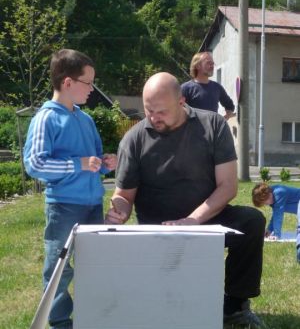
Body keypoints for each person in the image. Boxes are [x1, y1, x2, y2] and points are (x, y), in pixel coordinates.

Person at [105, 72, 266, 328]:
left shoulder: (213, 126)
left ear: (181, 102)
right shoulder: (133, 140)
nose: (154, 118)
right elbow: (123, 196)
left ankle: (235, 306)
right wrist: (119, 211)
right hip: (158, 227)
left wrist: (192, 220)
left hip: (207, 218)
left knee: (251, 221)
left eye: (161, 111)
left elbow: (228, 186)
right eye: (149, 111)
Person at [23, 49, 117, 329]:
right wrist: (79, 164)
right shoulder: (45, 118)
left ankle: (92, 318)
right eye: (88, 83)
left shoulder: (86, 120)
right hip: (63, 206)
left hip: (92, 205)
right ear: (67, 83)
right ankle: (59, 322)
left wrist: (104, 165)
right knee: (59, 268)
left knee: (95, 266)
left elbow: (93, 160)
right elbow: (35, 163)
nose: (92, 89)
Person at [252, 182, 300, 262]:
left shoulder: (279, 193)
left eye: (265, 202)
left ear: (268, 195)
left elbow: (278, 214)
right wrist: (269, 230)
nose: (266, 204)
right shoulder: (272, 196)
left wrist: (277, 235)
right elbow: (275, 214)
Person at [181, 52, 235, 120]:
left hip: (213, 130)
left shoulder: (217, 87)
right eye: (208, 63)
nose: (212, 66)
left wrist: (222, 121)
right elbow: (176, 112)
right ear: (197, 66)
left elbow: (230, 106)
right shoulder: (186, 88)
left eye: (212, 63)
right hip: (193, 130)